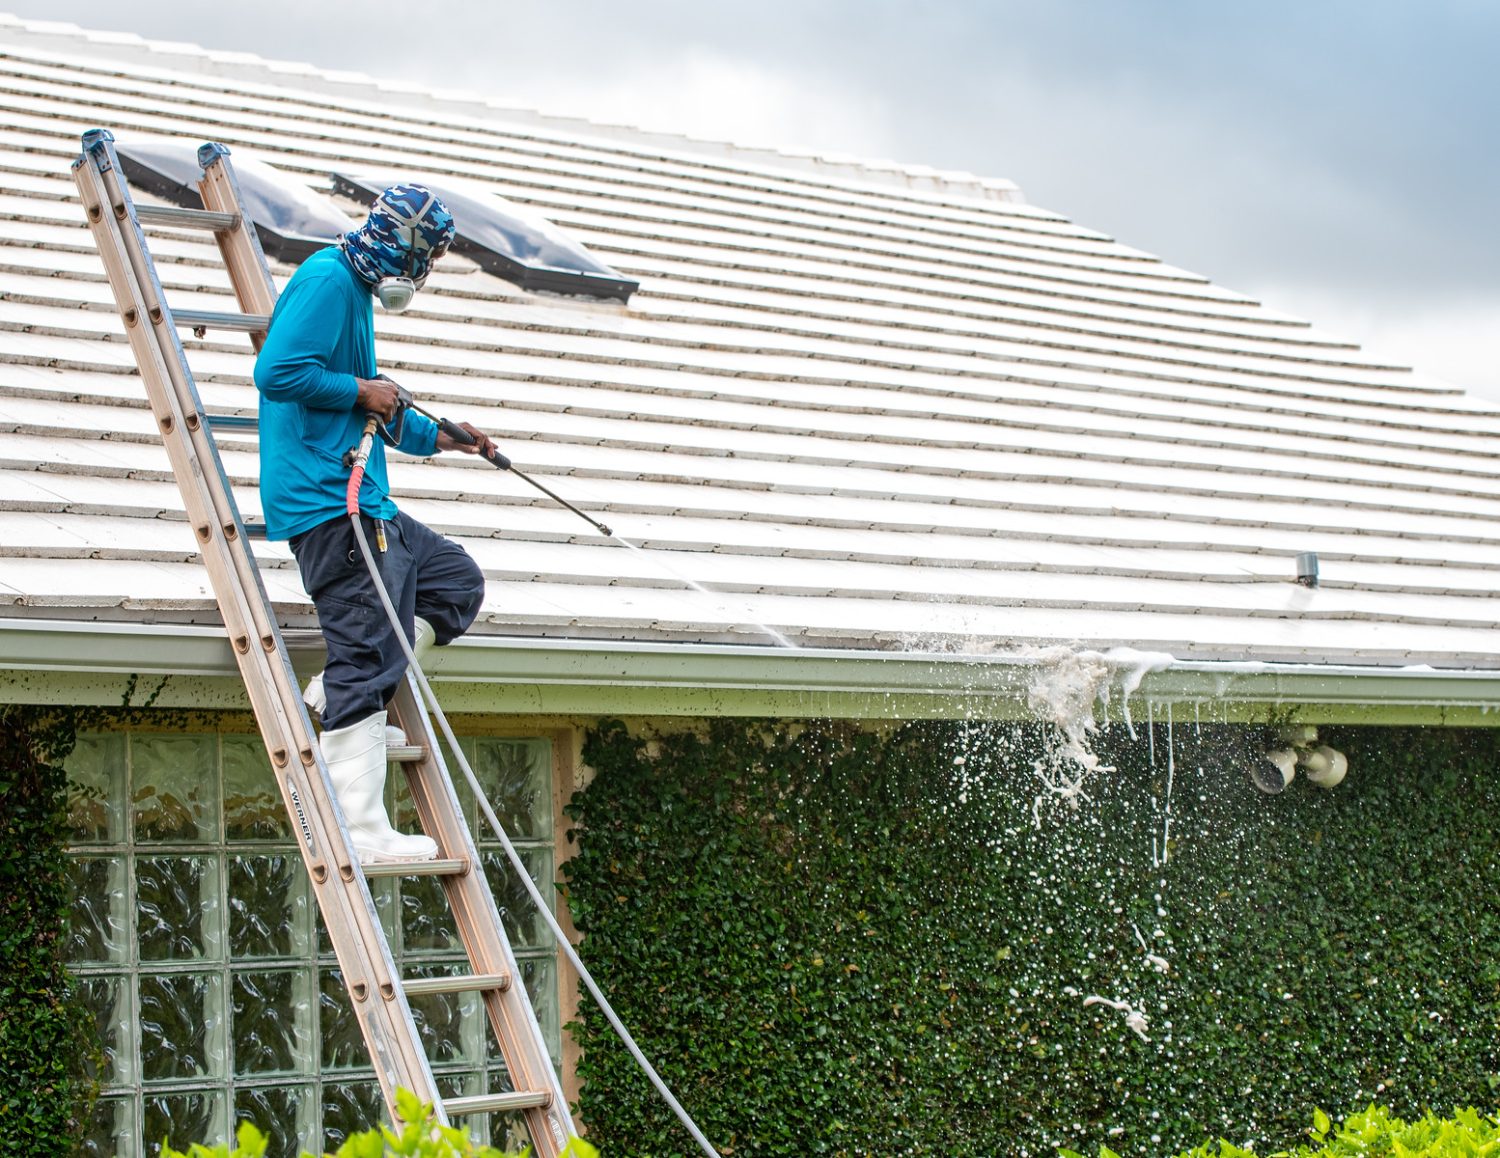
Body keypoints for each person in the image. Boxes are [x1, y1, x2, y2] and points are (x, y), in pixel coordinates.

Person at [254, 184, 495, 864]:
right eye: (430, 259)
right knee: (366, 643)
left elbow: (372, 410)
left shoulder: (355, 292)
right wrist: (364, 389)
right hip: (329, 501)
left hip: (365, 496)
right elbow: (276, 373)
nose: (425, 274)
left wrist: (445, 438)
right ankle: (360, 826)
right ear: (408, 248)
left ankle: (352, 699)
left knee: (453, 583)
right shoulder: (328, 281)